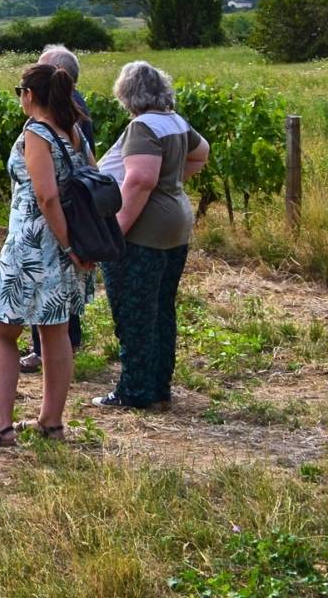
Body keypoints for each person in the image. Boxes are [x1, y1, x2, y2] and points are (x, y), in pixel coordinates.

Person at [0, 63, 93, 447]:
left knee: (1, 329)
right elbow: (94, 178)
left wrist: (65, 243)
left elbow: (46, 195)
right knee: (55, 332)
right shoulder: (73, 133)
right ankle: (50, 422)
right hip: (67, 246)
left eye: (19, 91)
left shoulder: (36, 132)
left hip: (35, 244)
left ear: (30, 95)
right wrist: (75, 245)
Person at [94, 60, 209, 411]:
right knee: (160, 309)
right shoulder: (175, 121)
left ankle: (135, 391)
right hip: (176, 224)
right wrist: (173, 186)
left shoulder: (143, 127)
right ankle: (158, 386)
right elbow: (201, 153)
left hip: (145, 232)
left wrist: (115, 233)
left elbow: (141, 180)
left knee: (135, 311)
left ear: (127, 94)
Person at [21, 43, 94, 373]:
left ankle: (43, 355)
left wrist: (65, 241)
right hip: (72, 224)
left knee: (37, 314)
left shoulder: (43, 126)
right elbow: (93, 171)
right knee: (61, 317)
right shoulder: (75, 117)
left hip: (47, 232)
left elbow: (45, 195)